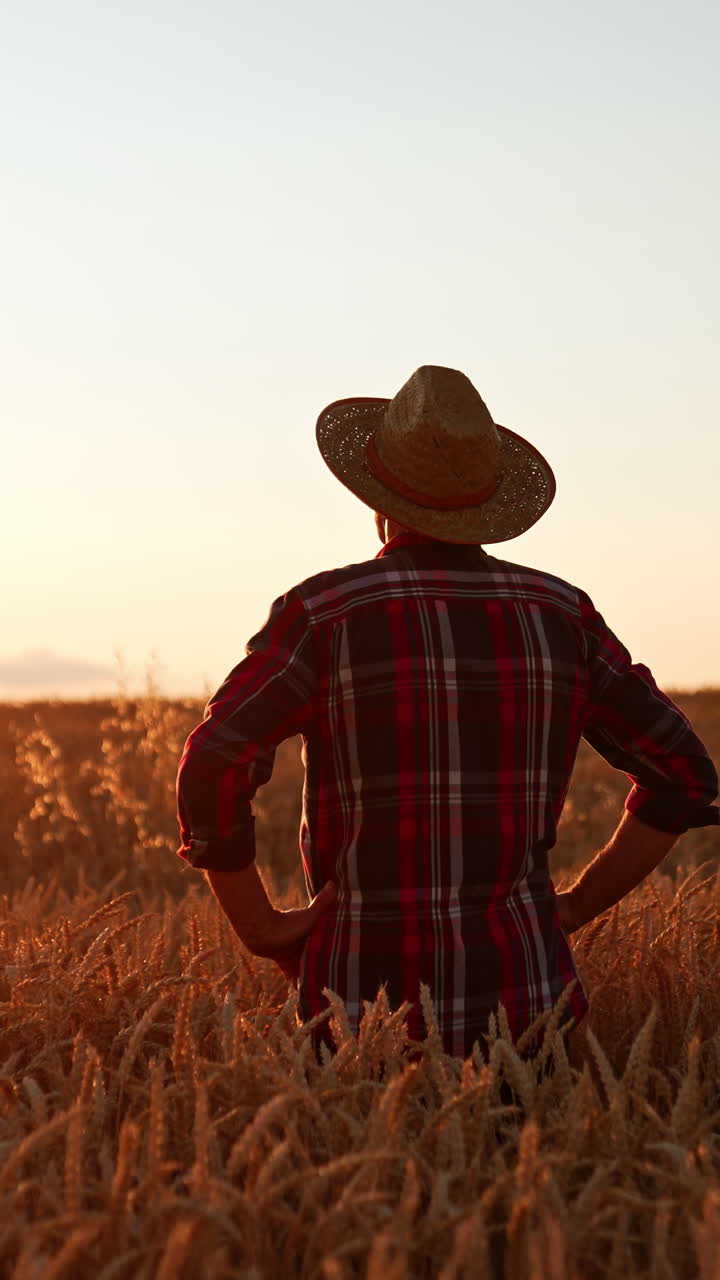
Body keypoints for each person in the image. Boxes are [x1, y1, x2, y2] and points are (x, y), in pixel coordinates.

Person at [176, 365, 718, 1058]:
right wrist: (576, 906)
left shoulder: (324, 614)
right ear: (486, 502)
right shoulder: (562, 615)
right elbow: (684, 775)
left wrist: (257, 924)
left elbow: (215, 759)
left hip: (356, 1025)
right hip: (531, 1018)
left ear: (379, 499)